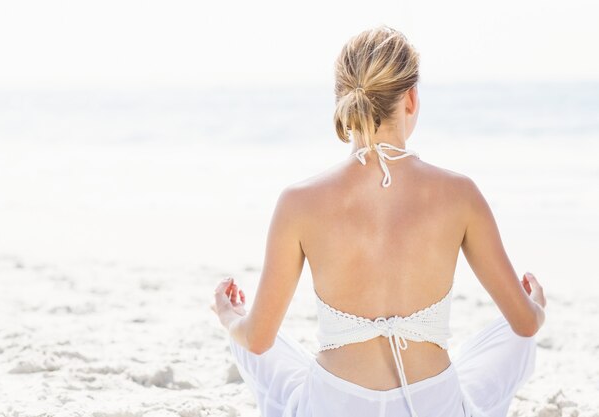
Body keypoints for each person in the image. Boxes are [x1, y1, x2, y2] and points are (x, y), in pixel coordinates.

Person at [210, 24, 546, 417]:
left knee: (251, 342)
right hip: (430, 406)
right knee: (511, 341)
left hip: (334, 406)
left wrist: (229, 316)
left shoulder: (297, 202)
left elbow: (259, 340)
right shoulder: (460, 194)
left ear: (342, 101)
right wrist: (535, 305)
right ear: (411, 98)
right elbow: (524, 325)